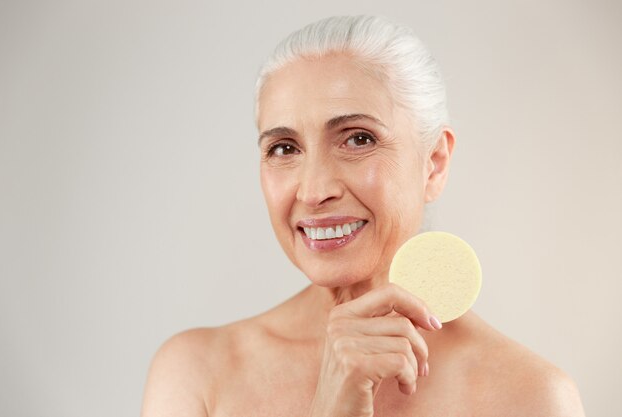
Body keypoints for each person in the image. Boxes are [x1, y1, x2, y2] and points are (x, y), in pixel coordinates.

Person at [141, 15, 585, 416]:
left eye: (357, 140)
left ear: (434, 162)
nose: (314, 191)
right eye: (284, 148)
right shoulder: (195, 374)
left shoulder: (531, 399)